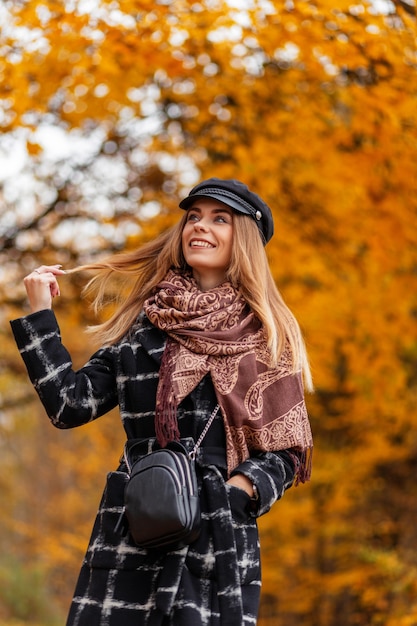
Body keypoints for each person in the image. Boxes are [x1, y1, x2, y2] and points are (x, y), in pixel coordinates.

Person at [10, 177, 313, 626]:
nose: (200, 226)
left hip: (217, 536)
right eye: (193, 216)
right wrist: (40, 316)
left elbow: (287, 451)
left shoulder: (265, 336)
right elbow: (69, 405)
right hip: (134, 525)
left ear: (244, 238)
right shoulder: (145, 326)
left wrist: (237, 494)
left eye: (219, 218)